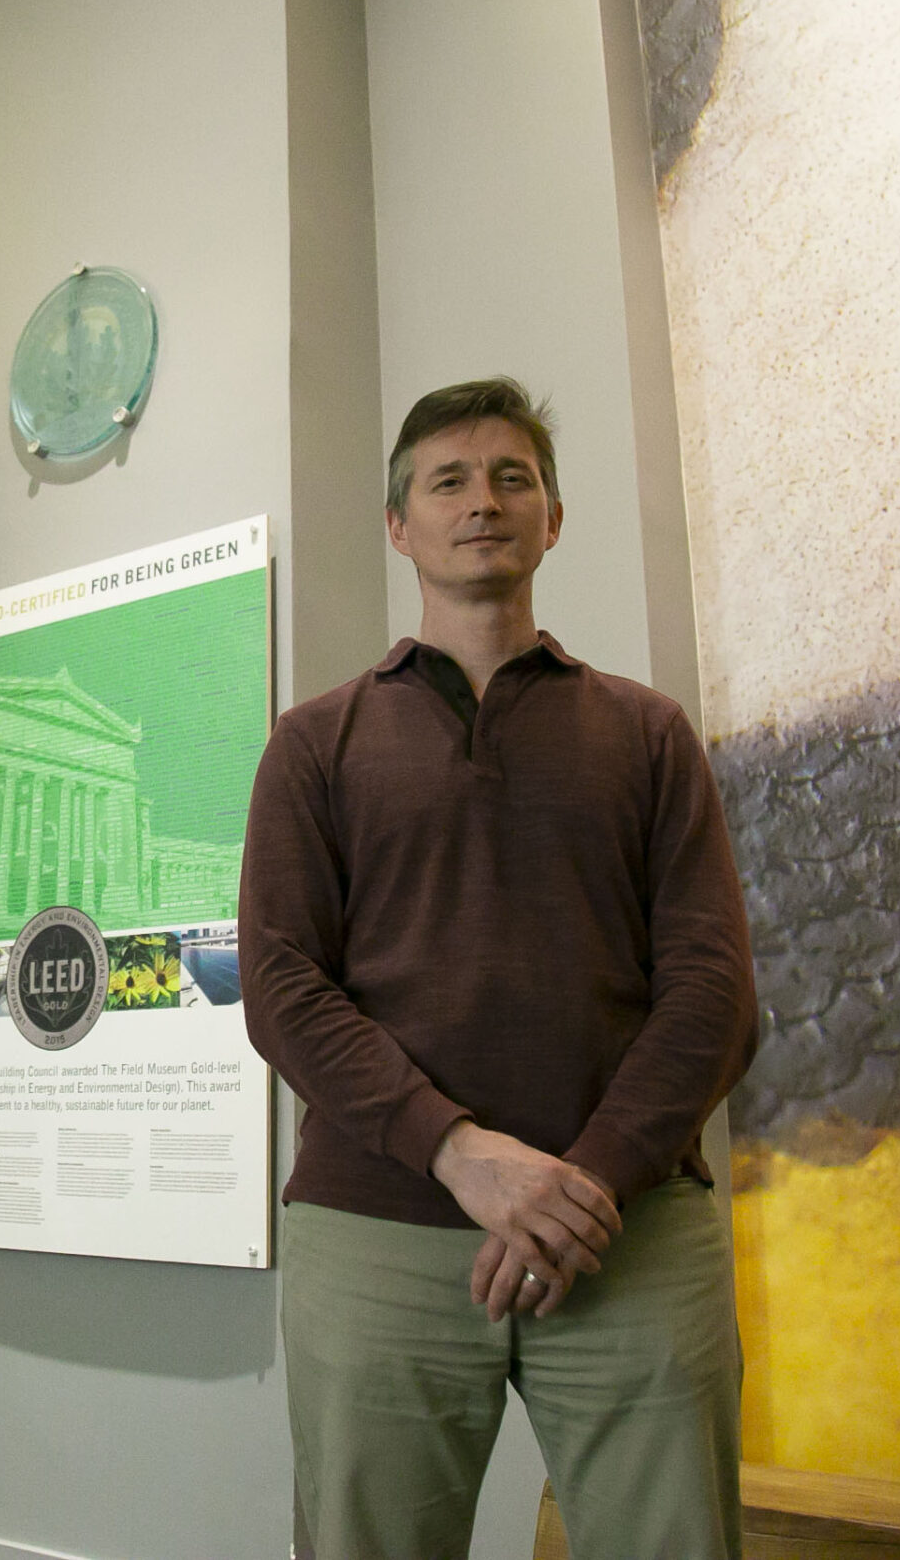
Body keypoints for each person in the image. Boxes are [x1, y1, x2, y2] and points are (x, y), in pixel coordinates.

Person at [240, 378, 758, 1559]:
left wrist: (581, 1184)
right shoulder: (314, 743)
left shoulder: (645, 733)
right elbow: (281, 988)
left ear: (554, 520)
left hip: (626, 1230)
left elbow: (714, 994)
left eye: (512, 478)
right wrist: (459, 1152)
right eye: (449, 480)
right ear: (399, 525)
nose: (484, 501)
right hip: (379, 1228)